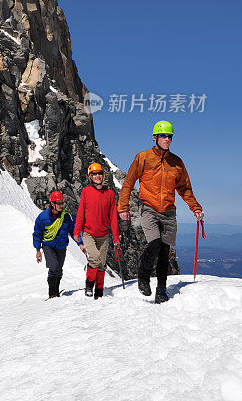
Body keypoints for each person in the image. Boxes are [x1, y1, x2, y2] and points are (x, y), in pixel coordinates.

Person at [118, 120, 204, 303]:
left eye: (169, 136)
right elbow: (128, 183)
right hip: (148, 208)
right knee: (155, 244)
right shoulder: (143, 158)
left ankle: (161, 290)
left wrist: (195, 207)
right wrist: (123, 207)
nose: (167, 139)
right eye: (163, 136)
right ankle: (143, 276)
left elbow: (185, 189)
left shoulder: (177, 162)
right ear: (155, 137)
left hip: (168, 211)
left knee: (165, 251)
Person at [74, 163, 121, 299]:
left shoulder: (110, 194)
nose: (97, 176)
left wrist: (116, 238)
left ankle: (99, 291)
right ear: (90, 177)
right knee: (94, 258)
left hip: (104, 235)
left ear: (103, 175)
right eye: (94, 174)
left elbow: (113, 217)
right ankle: (89, 284)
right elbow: (81, 212)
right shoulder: (86, 191)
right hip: (88, 233)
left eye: (99, 173)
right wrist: (77, 231)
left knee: (102, 264)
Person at [33, 190, 78, 299]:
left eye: (62, 203)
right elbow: (37, 233)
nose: (61, 205)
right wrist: (38, 250)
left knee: (59, 268)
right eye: (58, 203)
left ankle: (56, 290)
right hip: (48, 245)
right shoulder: (43, 217)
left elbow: (73, 231)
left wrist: (80, 243)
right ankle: (52, 293)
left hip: (62, 246)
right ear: (52, 204)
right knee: (53, 266)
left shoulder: (67, 217)